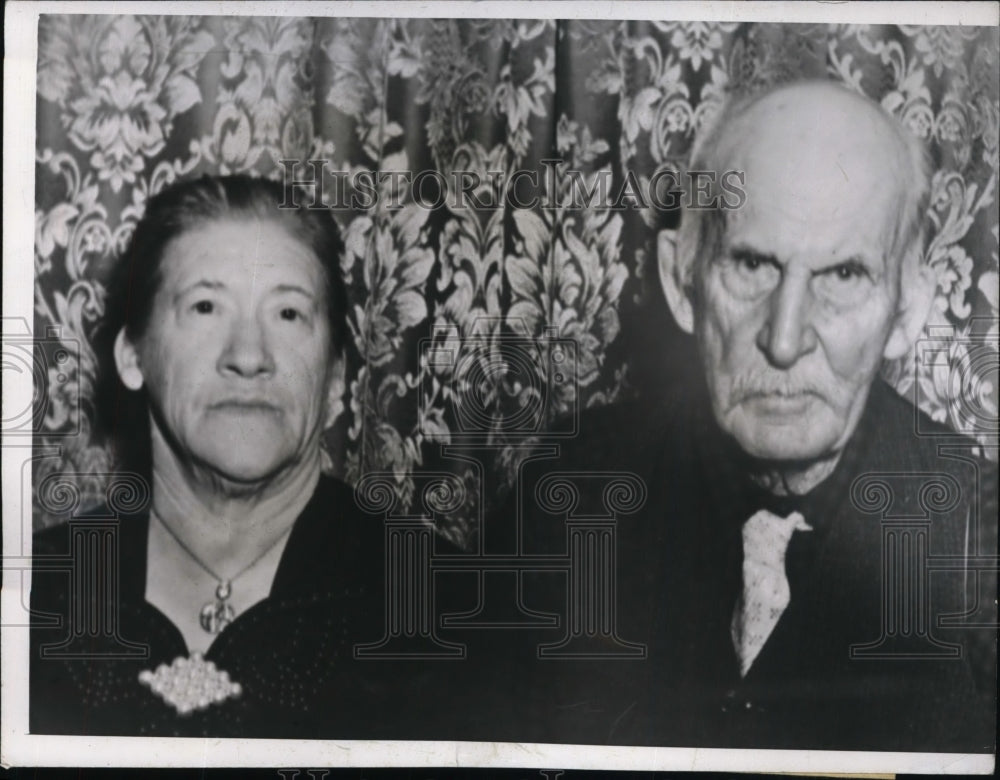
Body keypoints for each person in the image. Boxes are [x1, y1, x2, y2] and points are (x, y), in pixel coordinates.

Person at [506, 81, 997, 751]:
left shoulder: (981, 540)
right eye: (753, 264)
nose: (786, 338)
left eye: (844, 275)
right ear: (684, 284)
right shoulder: (563, 494)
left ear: (908, 312)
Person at [29, 175, 439, 738]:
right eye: (205, 306)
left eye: (289, 314)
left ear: (337, 379)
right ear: (133, 356)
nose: (249, 356)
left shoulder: (445, 609)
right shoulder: (33, 600)